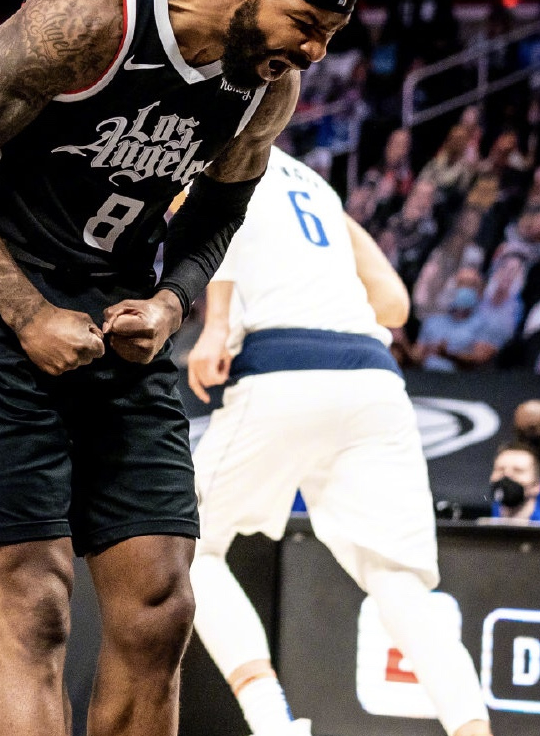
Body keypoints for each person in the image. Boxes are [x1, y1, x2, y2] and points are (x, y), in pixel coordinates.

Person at [0, 0, 361, 736]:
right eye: (305, 24)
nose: (314, 51)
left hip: (118, 309)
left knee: (160, 605)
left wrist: (173, 301)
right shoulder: (100, 9)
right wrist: (27, 313)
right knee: (36, 603)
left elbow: (219, 209)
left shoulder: (265, 86)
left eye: (328, 34)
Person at [187, 146, 491, 736]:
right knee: (398, 580)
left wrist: (217, 323)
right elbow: (394, 304)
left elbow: (219, 225)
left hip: (284, 364)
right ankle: (472, 728)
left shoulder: (220, 143)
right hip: (373, 378)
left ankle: (272, 723)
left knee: (190, 547)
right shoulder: (317, 188)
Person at [488, 442, 540, 522]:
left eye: (518, 470)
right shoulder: (484, 520)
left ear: (537, 485)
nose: (507, 475)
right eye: (500, 469)